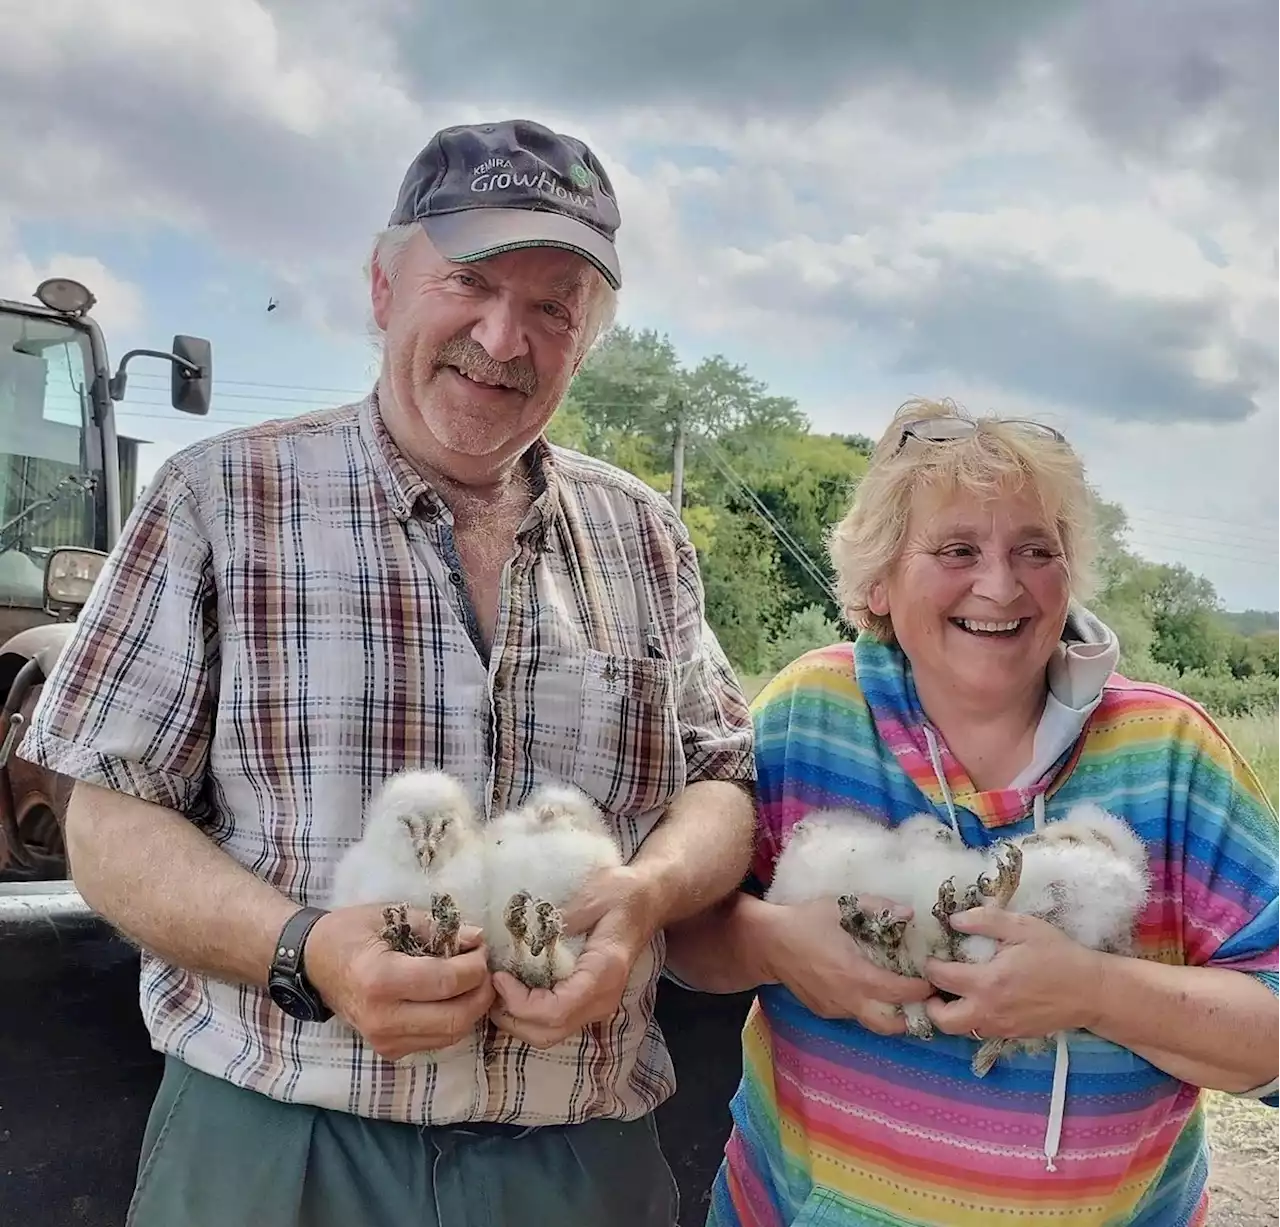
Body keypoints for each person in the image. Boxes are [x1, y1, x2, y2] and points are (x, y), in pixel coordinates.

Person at [19, 118, 757, 1227]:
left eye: (552, 306)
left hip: (580, 1161)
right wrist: (304, 952)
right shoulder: (220, 498)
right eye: (467, 281)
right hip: (277, 1153)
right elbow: (108, 818)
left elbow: (719, 779)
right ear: (381, 285)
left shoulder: (643, 536)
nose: (503, 339)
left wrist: (641, 900)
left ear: (585, 337)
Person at [665, 398, 1280, 1226]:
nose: (1001, 583)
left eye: (1037, 549)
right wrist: (775, 941)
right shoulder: (811, 714)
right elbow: (683, 939)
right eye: (958, 548)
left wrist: (1094, 992)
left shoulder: (1170, 754)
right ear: (878, 580)